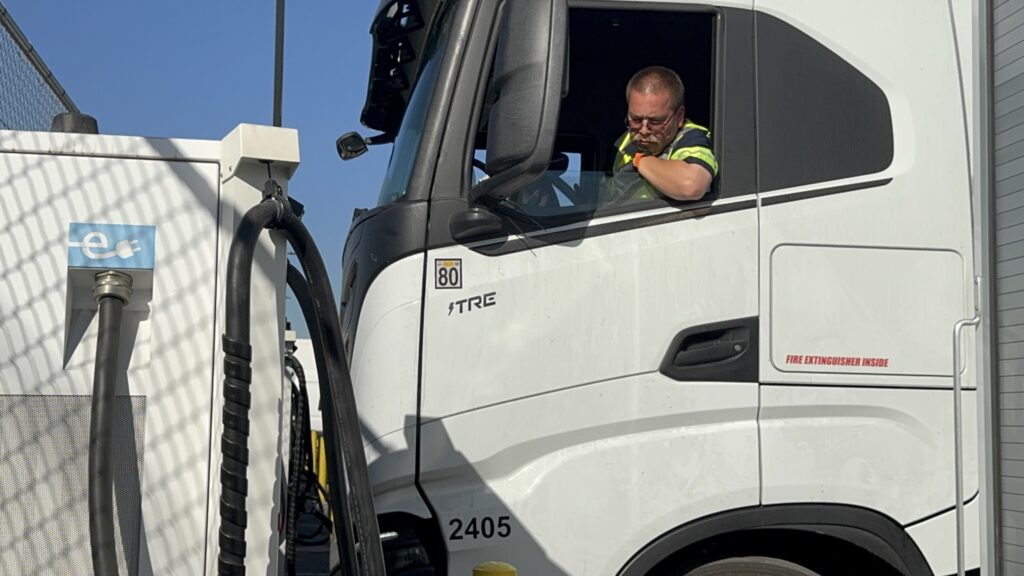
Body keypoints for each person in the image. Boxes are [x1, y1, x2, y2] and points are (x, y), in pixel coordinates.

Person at [608, 66, 717, 202]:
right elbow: (612, 194)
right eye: (636, 119)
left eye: (655, 122)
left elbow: (691, 185)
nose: (643, 130)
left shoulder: (692, 138)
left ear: (679, 116)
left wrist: (639, 161)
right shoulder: (624, 144)